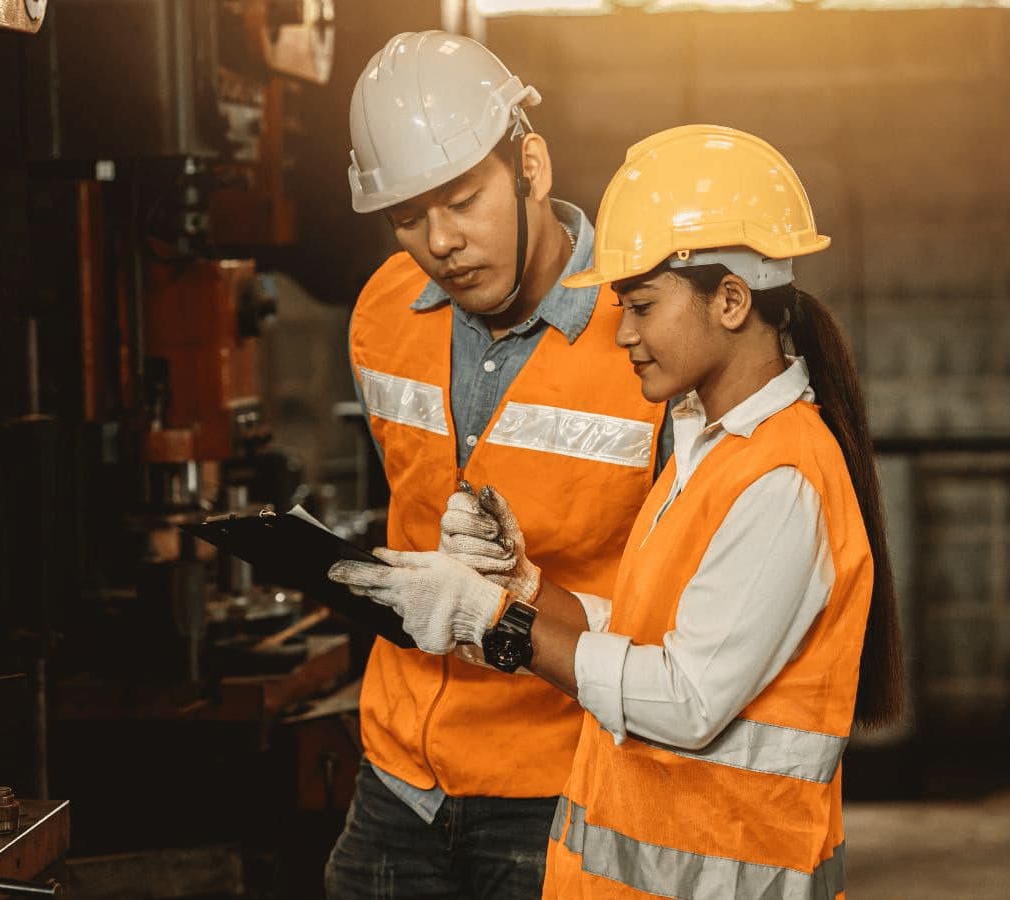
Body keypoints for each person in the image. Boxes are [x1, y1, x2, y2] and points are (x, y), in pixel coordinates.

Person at [330, 124, 904, 899]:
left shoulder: (782, 477)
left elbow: (685, 700)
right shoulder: (714, 450)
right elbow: (640, 631)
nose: (621, 332)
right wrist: (524, 586)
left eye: (639, 305)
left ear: (730, 299)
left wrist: (491, 623)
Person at [325, 31, 669, 898]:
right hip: (399, 778)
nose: (441, 241)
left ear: (531, 165)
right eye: (407, 217)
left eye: (465, 199)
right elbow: (407, 506)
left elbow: (675, 613)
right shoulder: (381, 313)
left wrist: (510, 599)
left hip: (560, 780)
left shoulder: (646, 336)